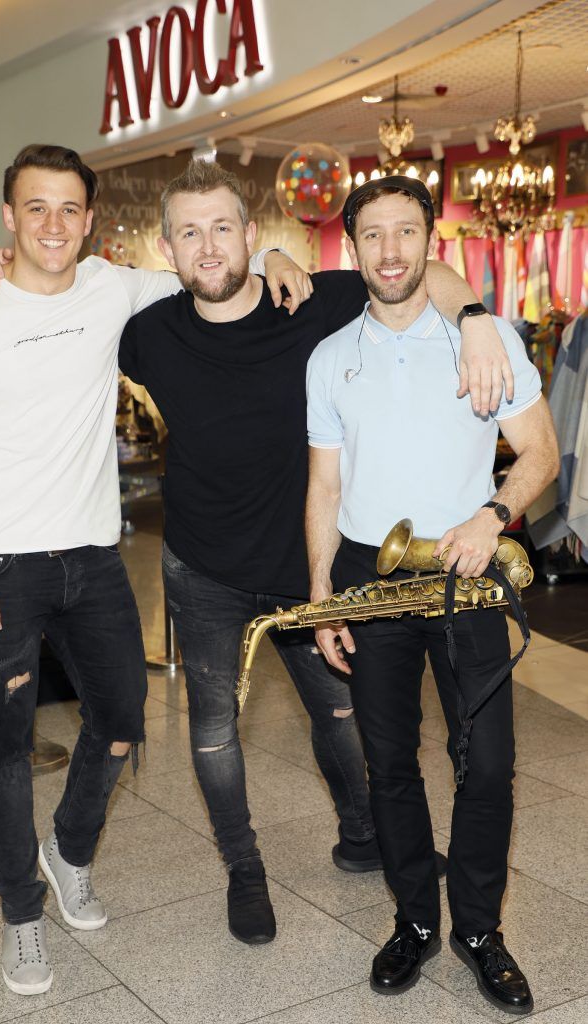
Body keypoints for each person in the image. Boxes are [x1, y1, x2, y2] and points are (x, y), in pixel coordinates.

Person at [0, 160, 513, 947]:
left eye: (223, 228)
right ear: (167, 248)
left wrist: (477, 321)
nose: (207, 246)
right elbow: (47, 292)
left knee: (341, 715)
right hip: (203, 570)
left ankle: (365, 835)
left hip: (301, 561)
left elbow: (423, 270)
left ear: (252, 236)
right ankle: (243, 871)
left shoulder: (315, 298)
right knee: (214, 733)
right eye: (188, 233)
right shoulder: (145, 329)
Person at [0, 143, 306, 997]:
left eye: (68, 210)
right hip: (0, 567)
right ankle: (20, 916)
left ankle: (70, 852)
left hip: (91, 557)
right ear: (7, 218)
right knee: (6, 751)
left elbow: (211, 268)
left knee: (122, 726)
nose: (52, 225)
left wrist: (272, 252)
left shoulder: (113, 287)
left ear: (89, 222)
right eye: (34, 208)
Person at [305, 176, 558, 1014]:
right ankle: (414, 919)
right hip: (370, 578)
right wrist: (320, 597)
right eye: (371, 235)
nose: (388, 251)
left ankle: (479, 930)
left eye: (405, 233)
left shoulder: (483, 344)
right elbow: (322, 487)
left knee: (485, 765)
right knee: (388, 767)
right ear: (351, 247)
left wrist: (492, 516)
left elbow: (540, 454)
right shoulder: (329, 357)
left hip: (466, 574)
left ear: (429, 243)